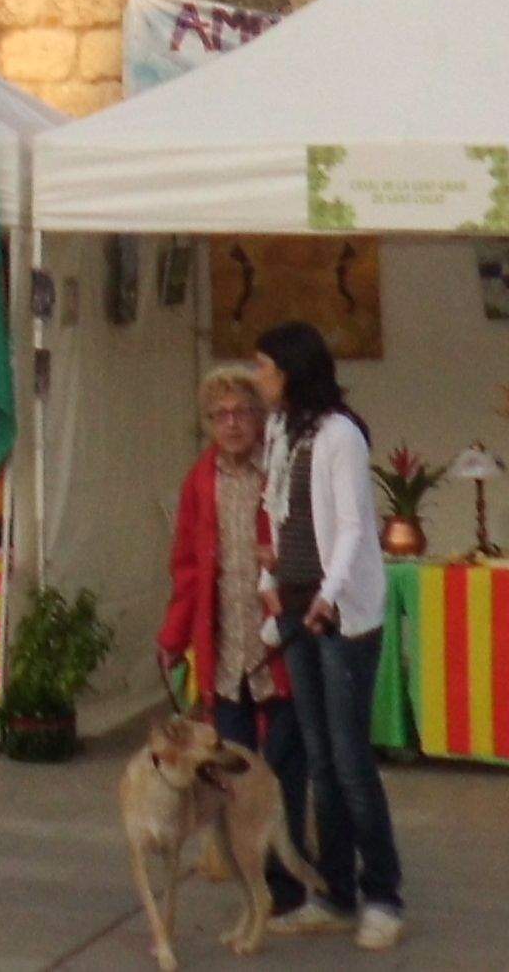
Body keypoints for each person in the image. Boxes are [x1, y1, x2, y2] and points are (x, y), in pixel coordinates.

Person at [254, 321, 401, 951]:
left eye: (263, 367)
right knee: (319, 761)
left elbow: (351, 527)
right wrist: (270, 579)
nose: (257, 378)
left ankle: (384, 895)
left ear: (290, 370)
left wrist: (326, 596)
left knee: (349, 761)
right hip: (295, 605)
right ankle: (337, 892)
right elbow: (278, 512)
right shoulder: (282, 429)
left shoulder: (341, 434)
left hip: (341, 614)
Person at [156, 363, 308, 925]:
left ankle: (295, 881)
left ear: (260, 416)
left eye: (242, 410)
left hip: (278, 646)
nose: (232, 423)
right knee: (236, 772)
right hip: (226, 650)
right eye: (220, 414)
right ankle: (259, 885)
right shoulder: (201, 481)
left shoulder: (280, 471)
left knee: (289, 766)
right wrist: (173, 636)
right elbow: (188, 569)